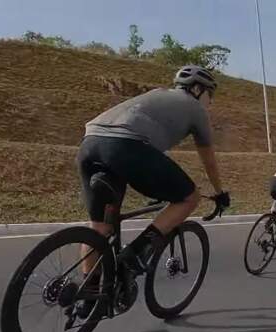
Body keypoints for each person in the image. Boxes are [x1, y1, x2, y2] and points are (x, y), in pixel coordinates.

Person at [76, 65, 230, 316]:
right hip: (125, 147)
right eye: (209, 94)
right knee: (190, 197)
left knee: (100, 228)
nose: (210, 101)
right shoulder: (196, 109)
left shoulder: (157, 95)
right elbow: (208, 159)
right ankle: (134, 254)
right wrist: (220, 192)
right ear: (197, 89)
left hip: (89, 144)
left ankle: (88, 294)